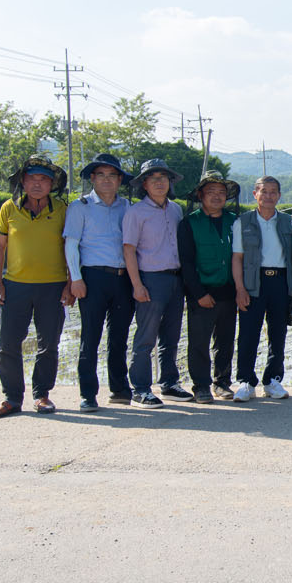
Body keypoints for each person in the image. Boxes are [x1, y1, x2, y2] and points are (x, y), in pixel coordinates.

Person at [0, 154, 72, 418]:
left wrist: (70, 284)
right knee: (8, 345)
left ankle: (42, 395)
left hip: (53, 287)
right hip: (15, 287)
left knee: (49, 345)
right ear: (22, 182)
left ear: (52, 184)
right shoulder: (9, 208)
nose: (37, 184)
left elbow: (72, 248)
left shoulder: (63, 210)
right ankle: (12, 398)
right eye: (32, 179)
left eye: (43, 179)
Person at [61, 152, 134, 410]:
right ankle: (88, 394)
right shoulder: (80, 206)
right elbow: (71, 245)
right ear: (92, 178)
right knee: (90, 337)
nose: (106, 180)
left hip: (123, 278)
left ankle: (120, 389)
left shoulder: (128, 207)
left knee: (119, 337)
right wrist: (76, 279)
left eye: (112, 175)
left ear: (120, 180)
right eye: (101, 175)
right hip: (93, 278)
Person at [122, 158, 186, 408]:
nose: (160, 183)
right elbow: (129, 250)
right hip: (151, 278)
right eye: (153, 179)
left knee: (171, 335)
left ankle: (169, 383)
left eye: (164, 178)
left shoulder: (175, 209)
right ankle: (140, 389)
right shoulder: (136, 212)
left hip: (175, 278)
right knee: (146, 336)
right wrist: (137, 285)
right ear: (144, 184)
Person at [232, 175, 292, 402]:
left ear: (279, 195)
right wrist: (240, 288)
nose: (268, 196)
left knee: (278, 333)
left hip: (281, 281)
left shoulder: (289, 222)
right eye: (264, 191)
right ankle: (246, 381)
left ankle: (272, 380)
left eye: (273, 192)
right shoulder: (243, 222)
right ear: (255, 194)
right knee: (248, 333)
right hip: (253, 282)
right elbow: (237, 258)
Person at [178, 173, 240, 403]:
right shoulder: (189, 223)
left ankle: (222, 382)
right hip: (202, 292)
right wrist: (199, 293)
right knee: (199, 341)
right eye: (211, 192)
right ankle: (201, 385)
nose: (217, 196)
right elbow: (186, 262)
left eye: (221, 192)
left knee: (225, 340)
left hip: (229, 291)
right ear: (200, 195)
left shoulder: (235, 221)